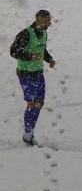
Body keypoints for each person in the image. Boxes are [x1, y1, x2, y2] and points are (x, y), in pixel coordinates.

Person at [9, 10, 56, 147]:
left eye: (49, 20)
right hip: (25, 73)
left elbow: (42, 50)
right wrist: (30, 57)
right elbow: (13, 51)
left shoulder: (44, 33)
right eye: (47, 21)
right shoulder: (26, 33)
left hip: (38, 73)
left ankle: (29, 133)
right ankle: (28, 135)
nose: (49, 23)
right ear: (38, 20)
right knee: (32, 103)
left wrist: (49, 59)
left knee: (39, 103)